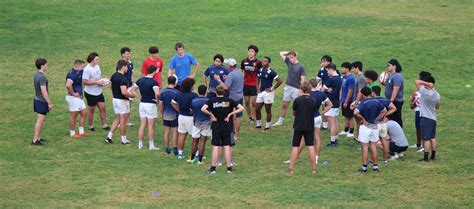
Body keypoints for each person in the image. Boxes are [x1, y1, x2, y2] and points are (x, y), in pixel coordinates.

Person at [283, 78, 332, 164]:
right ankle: (316, 158)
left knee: (302, 140)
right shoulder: (321, 94)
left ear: (309, 85)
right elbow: (330, 104)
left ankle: (293, 159)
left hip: (308, 118)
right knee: (317, 138)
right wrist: (322, 112)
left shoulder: (307, 94)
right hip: (317, 117)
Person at [201, 85, 244, 174]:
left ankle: (213, 168)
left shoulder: (211, 101)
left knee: (216, 147)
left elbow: (203, 109)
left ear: (216, 92)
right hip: (228, 127)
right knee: (227, 146)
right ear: (224, 92)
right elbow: (241, 108)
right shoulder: (229, 100)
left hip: (216, 126)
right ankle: (229, 168)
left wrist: (211, 115)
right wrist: (230, 114)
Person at [287, 82, 319, 174]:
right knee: (310, 146)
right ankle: (314, 169)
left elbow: (293, 112)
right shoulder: (313, 100)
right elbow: (314, 111)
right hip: (309, 125)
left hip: (298, 125)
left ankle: (291, 168)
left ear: (301, 89)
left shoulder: (297, 100)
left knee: (295, 146)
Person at [354, 87, 387, 173]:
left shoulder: (363, 103)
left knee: (364, 147)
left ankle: (364, 167)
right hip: (375, 127)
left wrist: (363, 118)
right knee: (373, 146)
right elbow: (384, 111)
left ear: (363, 94)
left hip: (365, 127)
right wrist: (377, 119)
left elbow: (355, 112)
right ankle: (375, 167)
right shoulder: (377, 102)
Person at [272, 51, 306, 126]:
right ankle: (280, 121)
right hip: (288, 87)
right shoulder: (289, 62)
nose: (290, 59)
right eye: (289, 57)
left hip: (296, 89)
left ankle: (297, 121)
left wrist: (301, 89)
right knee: (284, 105)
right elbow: (281, 53)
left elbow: (303, 79)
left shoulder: (301, 66)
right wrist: (289, 53)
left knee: (296, 107)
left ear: (295, 56)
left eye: (292, 57)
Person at [105, 60, 136, 144]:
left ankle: (109, 137)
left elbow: (110, 87)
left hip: (115, 99)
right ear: (123, 67)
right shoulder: (123, 79)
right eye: (126, 67)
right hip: (122, 101)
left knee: (117, 119)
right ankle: (123, 139)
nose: (127, 68)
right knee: (123, 120)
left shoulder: (114, 75)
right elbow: (124, 92)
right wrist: (132, 95)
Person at [131, 65, 160, 150]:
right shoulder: (154, 82)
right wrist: (157, 101)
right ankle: (151, 145)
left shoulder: (140, 80)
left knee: (142, 124)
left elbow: (132, 90)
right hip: (150, 104)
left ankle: (140, 144)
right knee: (151, 126)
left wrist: (139, 97)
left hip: (142, 104)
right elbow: (157, 93)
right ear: (154, 72)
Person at [214, 58, 244, 140]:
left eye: (227, 64)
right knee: (238, 116)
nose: (226, 66)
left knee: (231, 116)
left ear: (230, 66)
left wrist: (218, 80)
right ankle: (237, 134)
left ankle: (233, 134)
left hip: (232, 98)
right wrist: (227, 78)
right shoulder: (239, 72)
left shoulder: (231, 75)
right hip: (240, 96)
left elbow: (225, 87)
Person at [415, 76, 440, 162]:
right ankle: (433, 156)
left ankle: (426, 158)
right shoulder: (437, 94)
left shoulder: (425, 92)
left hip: (426, 118)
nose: (423, 84)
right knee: (432, 137)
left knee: (426, 139)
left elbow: (417, 81)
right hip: (433, 118)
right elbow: (437, 106)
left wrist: (427, 84)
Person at [171, 78, 198, 159]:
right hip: (190, 117)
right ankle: (195, 154)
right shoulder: (194, 95)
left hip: (181, 117)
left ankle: (180, 153)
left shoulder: (179, 94)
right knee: (194, 137)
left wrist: (179, 110)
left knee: (182, 135)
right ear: (190, 86)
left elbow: (173, 102)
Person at [82, 52, 109, 131]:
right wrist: (96, 82)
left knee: (102, 108)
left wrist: (102, 82)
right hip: (90, 93)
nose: (98, 60)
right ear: (92, 60)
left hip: (99, 92)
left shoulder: (97, 66)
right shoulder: (87, 69)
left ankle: (104, 125)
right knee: (91, 110)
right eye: (97, 59)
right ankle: (90, 126)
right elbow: (84, 82)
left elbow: (99, 76)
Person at [255, 56, 283, 130]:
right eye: (262, 61)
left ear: (268, 63)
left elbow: (280, 81)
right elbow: (257, 78)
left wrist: (272, 88)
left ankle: (267, 127)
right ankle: (258, 125)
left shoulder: (271, 71)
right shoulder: (260, 70)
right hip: (261, 92)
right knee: (257, 108)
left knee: (268, 110)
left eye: (265, 61)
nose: (263, 62)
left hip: (268, 93)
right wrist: (257, 88)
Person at [372, 86, 397, 163]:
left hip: (375, 124)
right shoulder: (385, 100)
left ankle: (373, 161)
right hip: (383, 124)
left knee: (373, 143)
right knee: (384, 141)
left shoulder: (372, 101)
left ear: (373, 92)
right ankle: (385, 160)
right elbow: (394, 108)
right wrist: (385, 114)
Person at [409, 71, 432, 152]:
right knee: (418, 128)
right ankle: (418, 144)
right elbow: (412, 103)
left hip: (425, 112)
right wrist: (412, 104)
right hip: (418, 111)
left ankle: (424, 145)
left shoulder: (428, 91)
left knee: (423, 129)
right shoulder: (417, 91)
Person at [65, 59, 88, 138]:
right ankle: (72, 133)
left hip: (79, 98)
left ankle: (81, 131)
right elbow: (68, 85)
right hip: (73, 98)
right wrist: (73, 93)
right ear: (78, 65)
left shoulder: (80, 71)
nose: (83, 67)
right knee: (73, 115)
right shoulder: (72, 74)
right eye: (82, 65)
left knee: (84, 112)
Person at [321, 63, 342, 147]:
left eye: (327, 71)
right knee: (335, 122)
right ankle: (336, 139)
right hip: (336, 102)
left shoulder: (331, 79)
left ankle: (333, 142)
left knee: (331, 123)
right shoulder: (339, 78)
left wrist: (326, 90)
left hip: (330, 103)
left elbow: (322, 90)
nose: (327, 73)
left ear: (331, 69)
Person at [32, 58, 52, 145]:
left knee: (41, 120)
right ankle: (35, 140)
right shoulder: (42, 77)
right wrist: (49, 103)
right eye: (46, 64)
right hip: (41, 101)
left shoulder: (36, 75)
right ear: (42, 66)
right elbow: (44, 91)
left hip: (37, 99)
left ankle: (38, 137)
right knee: (40, 120)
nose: (47, 66)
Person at [188, 85, 211, 164]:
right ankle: (200, 160)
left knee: (194, 141)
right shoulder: (208, 101)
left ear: (198, 91)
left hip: (196, 123)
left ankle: (192, 158)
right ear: (205, 92)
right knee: (202, 141)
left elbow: (191, 111)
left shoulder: (194, 101)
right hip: (206, 123)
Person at [316, 55, 340, 129]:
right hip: (323, 92)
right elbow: (318, 80)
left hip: (331, 94)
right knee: (324, 107)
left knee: (328, 107)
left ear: (329, 62)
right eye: (322, 61)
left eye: (324, 61)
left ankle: (331, 125)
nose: (322, 63)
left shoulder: (335, 71)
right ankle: (324, 125)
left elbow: (338, 82)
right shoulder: (321, 70)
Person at [241, 45, 262, 123]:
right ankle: (250, 116)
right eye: (249, 51)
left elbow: (260, 74)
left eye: (252, 51)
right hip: (245, 84)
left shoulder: (258, 63)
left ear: (255, 53)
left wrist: (259, 85)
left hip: (254, 85)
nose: (250, 53)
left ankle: (253, 117)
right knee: (246, 102)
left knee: (253, 102)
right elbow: (241, 70)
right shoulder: (244, 61)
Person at [159, 76, 180, 155]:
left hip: (166, 114)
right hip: (175, 114)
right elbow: (177, 104)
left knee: (167, 131)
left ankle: (167, 148)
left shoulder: (163, 92)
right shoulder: (177, 92)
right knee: (175, 132)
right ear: (175, 83)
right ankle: (175, 148)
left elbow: (161, 104)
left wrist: (162, 113)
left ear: (168, 82)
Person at [384, 59, 404, 127]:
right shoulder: (391, 75)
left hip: (396, 101)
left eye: (389, 65)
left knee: (396, 118)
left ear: (394, 66)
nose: (388, 67)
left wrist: (391, 100)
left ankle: (399, 132)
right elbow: (387, 85)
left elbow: (396, 88)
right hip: (390, 100)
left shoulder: (397, 76)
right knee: (391, 118)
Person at [118, 47, 135, 127]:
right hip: (123, 86)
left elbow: (132, 74)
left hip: (130, 86)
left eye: (129, 53)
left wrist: (132, 84)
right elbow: (118, 75)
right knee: (122, 104)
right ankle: (119, 121)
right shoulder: (120, 64)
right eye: (127, 53)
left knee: (129, 104)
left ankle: (128, 121)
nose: (129, 55)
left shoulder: (131, 63)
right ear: (123, 55)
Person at [339, 62, 356, 138]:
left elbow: (350, 91)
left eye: (343, 68)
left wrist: (346, 101)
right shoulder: (344, 77)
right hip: (343, 100)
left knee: (350, 116)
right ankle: (345, 130)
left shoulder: (351, 78)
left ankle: (351, 131)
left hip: (349, 101)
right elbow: (342, 89)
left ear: (347, 69)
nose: (341, 69)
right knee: (345, 115)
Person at [350, 61, 366, 141]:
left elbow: (361, 91)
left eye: (353, 68)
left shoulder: (361, 78)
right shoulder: (360, 77)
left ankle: (361, 138)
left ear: (357, 68)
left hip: (360, 102)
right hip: (359, 102)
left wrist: (356, 102)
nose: (352, 70)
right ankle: (359, 137)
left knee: (360, 120)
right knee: (358, 121)